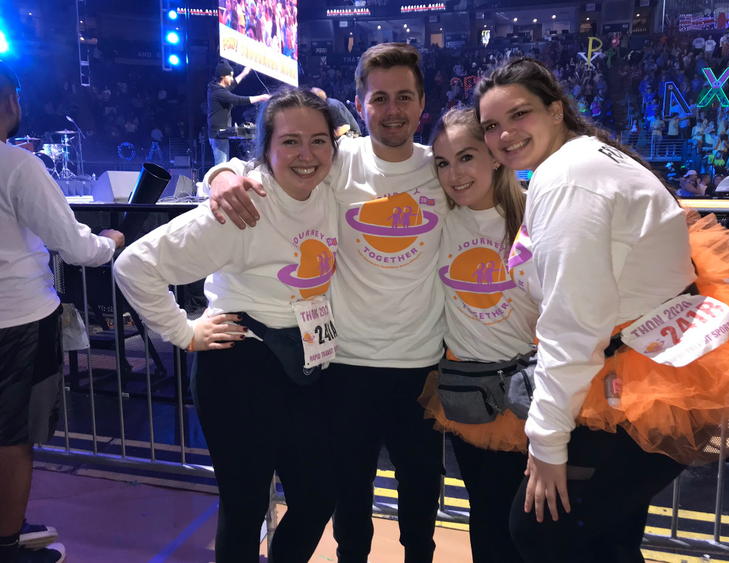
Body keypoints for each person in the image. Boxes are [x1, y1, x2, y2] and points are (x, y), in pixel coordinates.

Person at [474, 57, 729, 562]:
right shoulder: (586, 161)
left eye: (519, 115)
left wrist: (547, 442)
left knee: (538, 530)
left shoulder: (567, 180)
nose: (504, 134)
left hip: (631, 377)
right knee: (608, 539)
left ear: (556, 111)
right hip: (652, 364)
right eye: (492, 126)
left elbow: (574, 322)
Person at [207, 43, 448, 563]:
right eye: (379, 98)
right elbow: (266, 165)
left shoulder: (441, 170)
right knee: (347, 494)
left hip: (421, 362)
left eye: (404, 96)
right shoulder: (338, 163)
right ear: (359, 105)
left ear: (422, 102)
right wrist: (222, 175)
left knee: (422, 494)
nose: (392, 110)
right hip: (346, 363)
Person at [114, 89, 339, 563]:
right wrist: (183, 332)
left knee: (318, 496)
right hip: (241, 366)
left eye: (319, 141)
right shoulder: (243, 207)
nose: (307, 154)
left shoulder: (331, 190)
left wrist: (223, 170)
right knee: (245, 506)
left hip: (309, 362)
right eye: (291, 142)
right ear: (267, 149)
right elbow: (134, 265)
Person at [0, 59, 124, 563]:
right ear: (11, 104)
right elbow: (75, 246)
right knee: (12, 438)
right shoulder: (17, 165)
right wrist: (111, 241)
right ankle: (7, 545)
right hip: (18, 321)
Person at [420, 107, 538, 563]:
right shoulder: (437, 220)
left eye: (466, 157)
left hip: (538, 391)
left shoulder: (539, 211)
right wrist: (225, 170)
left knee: (537, 524)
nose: (454, 174)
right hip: (471, 397)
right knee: (488, 518)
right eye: (443, 163)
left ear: (494, 156)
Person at [207, 59, 271, 165]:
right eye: (230, 76)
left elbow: (232, 85)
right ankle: (217, 181)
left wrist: (244, 73)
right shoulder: (218, 92)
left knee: (223, 163)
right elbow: (239, 100)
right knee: (221, 164)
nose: (232, 79)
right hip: (217, 134)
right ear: (223, 76)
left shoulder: (216, 87)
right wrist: (262, 97)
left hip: (220, 133)